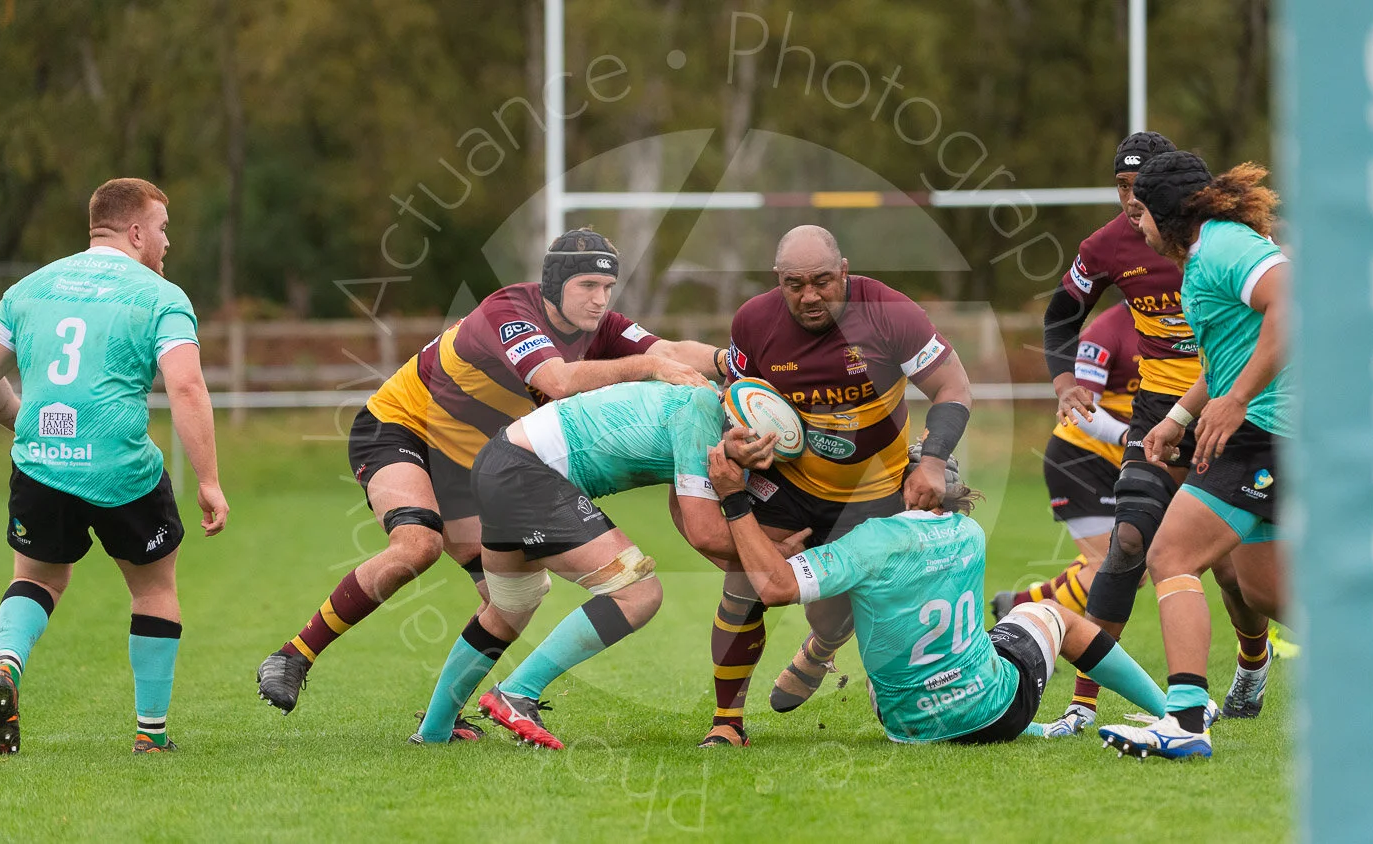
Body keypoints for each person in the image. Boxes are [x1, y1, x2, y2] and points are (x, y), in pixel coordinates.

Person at [256, 227, 719, 719]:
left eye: (607, 287)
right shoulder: (510, 311)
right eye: (587, 286)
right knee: (418, 544)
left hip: (469, 463)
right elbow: (559, 381)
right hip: (401, 427)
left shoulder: (601, 326)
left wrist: (732, 361)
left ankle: (439, 721)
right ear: (555, 284)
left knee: (514, 599)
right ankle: (293, 655)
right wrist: (645, 367)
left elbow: (669, 351)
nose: (600, 299)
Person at [0, 178, 227, 755]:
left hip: (41, 463)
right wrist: (208, 480)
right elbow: (186, 387)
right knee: (153, 589)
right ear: (135, 232)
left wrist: (23, 421)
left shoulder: (29, 288)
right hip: (121, 470)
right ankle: (150, 735)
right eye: (162, 229)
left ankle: (6, 666)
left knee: (37, 579)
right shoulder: (161, 296)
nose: (167, 242)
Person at [699, 225, 974, 747]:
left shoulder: (890, 313)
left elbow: (953, 386)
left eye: (822, 281)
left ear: (844, 270)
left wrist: (934, 463)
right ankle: (726, 722)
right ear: (778, 280)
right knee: (744, 586)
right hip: (789, 485)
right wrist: (739, 441)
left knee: (834, 612)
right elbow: (738, 397)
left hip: (875, 491)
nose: (809, 295)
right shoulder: (753, 321)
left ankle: (821, 648)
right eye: (794, 284)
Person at [704, 444, 1172, 745]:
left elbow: (777, 586)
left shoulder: (868, 543)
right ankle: (1172, 710)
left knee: (874, 610)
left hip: (904, 724)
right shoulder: (969, 532)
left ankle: (819, 651)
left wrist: (734, 499)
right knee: (1051, 613)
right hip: (996, 713)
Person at [1040, 133, 1274, 733]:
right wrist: (1068, 382)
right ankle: (1086, 703)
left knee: (1235, 576)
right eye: (1121, 188)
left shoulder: (1219, 247)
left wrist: (1234, 399)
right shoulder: (1111, 246)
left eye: (1139, 194)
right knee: (1131, 543)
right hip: (1167, 412)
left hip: (1243, 413)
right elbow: (1061, 314)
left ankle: (1250, 662)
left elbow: (1280, 310)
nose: (1128, 204)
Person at [411, 381, 781, 748]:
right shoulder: (700, 412)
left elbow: (684, 515)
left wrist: (754, 567)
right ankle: (517, 693)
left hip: (500, 459)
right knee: (638, 594)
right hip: (528, 472)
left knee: (511, 606)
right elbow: (705, 532)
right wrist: (776, 558)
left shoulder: (699, 405)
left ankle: (433, 731)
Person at [1097, 153, 1291, 759]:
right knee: (1265, 590)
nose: (1137, 227)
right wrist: (1178, 418)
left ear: (1165, 213)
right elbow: (1228, 354)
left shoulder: (1225, 246)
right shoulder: (1204, 257)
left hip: (1266, 431)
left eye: (1140, 214)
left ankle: (1183, 720)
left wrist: (1237, 401)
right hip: (1260, 430)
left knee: (1171, 554)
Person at [992, 303, 1140, 622]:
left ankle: (1020, 605)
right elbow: (1080, 408)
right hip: (1082, 459)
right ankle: (1022, 629)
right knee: (1114, 566)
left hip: (1128, 463)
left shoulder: (1180, 324)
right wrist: (1129, 436)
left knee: (1130, 562)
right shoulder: (1107, 331)